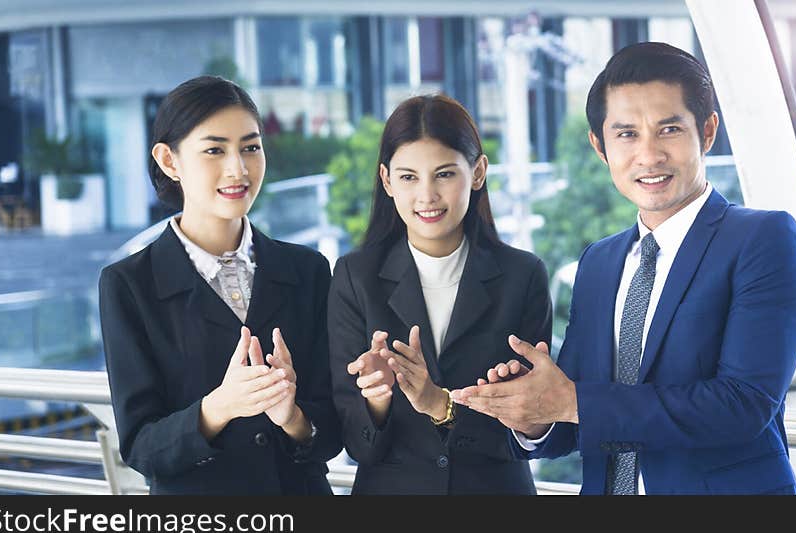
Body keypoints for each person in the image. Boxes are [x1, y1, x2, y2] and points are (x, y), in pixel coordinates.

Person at [452, 42, 796, 495]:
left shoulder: (763, 240)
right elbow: (576, 421)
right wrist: (534, 414)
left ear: (706, 132)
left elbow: (742, 407)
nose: (648, 155)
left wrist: (575, 401)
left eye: (668, 130)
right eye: (626, 134)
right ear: (600, 147)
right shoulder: (599, 263)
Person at [99, 76, 341, 494]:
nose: (238, 168)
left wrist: (293, 418)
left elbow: (336, 432)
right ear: (169, 161)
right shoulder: (128, 285)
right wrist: (219, 408)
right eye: (215, 150)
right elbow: (141, 447)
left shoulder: (309, 269)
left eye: (251, 147)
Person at [328, 94, 553, 494]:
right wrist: (377, 399)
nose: (427, 195)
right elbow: (355, 442)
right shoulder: (355, 276)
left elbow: (526, 433)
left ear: (478, 172)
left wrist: (439, 404)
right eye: (409, 177)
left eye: (445, 174)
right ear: (387, 181)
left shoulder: (523, 276)